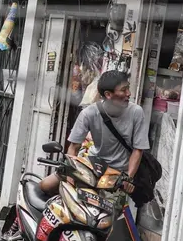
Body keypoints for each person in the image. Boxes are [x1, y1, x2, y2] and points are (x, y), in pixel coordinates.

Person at [40, 70, 148, 198]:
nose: (129, 93)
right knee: (45, 185)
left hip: (117, 175)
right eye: (124, 90)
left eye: (128, 88)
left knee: (104, 214)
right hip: (91, 165)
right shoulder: (89, 113)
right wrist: (70, 174)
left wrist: (128, 179)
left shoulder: (136, 112)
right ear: (108, 94)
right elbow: (73, 147)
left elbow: (138, 150)